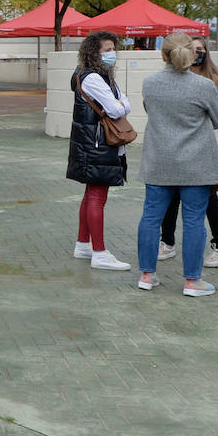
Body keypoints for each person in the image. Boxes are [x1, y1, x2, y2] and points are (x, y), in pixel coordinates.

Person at [135, 33, 218, 297]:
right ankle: (192, 281)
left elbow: (151, 111)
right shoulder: (204, 86)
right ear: (192, 54)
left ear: (163, 55)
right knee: (194, 220)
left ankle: (147, 275)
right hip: (197, 164)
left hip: (159, 160)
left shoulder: (150, 83)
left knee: (151, 217)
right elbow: (216, 121)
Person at [159, 36, 218, 268]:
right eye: (194, 49)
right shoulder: (175, 78)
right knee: (172, 198)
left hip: (205, 148)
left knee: (209, 199)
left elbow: (215, 117)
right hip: (177, 149)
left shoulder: (213, 80)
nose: (197, 53)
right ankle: (167, 242)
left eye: (201, 49)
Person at [65, 31, 132, 270]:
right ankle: (99, 253)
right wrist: (122, 105)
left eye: (113, 49)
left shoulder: (99, 77)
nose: (112, 53)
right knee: (97, 197)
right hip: (96, 144)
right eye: (107, 50)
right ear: (94, 53)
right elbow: (116, 109)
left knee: (91, 194)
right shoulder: (93, 78)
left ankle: (83, 244)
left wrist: (122, 104)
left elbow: (124, 103)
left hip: (91, 142)